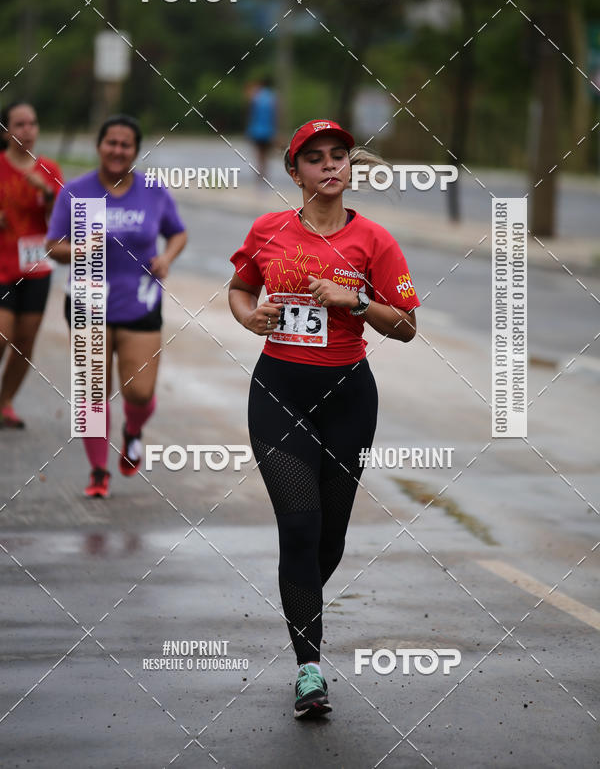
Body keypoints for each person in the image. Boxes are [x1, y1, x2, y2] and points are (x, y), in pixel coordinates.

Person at [228, 119, 420, 719]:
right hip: (279, 391)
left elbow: (408, 326)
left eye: (340, 155)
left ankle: (299, 592)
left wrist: (355, 301)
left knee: (328, 538)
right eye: (315, 159)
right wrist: (248, 318)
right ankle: (309, 668)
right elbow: (238, 289)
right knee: (301, 525)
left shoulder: (376, 242)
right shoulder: (268, 230)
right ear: (295, 172)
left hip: (348, 398)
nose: (330, 166)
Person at [46, 115, 187, 497]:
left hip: (140, 300)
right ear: (99, 146)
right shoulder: (77, 191)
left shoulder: (152, 191)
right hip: (89, 300)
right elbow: (52, 246)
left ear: (135, 151)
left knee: (139, 393)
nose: (117, 150)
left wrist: (168, 258)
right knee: (93, 391)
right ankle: (97, 472)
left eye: (125, 145)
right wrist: (77, 250)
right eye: (111, 142)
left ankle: (134, 430)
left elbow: (177, 232)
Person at [0, 101, 63, 428]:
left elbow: (63, 224)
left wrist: (49, 195)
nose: (27, 130)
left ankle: (5, 402)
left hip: (37, 266)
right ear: (7, 131)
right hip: (2, 265)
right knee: (2, 334)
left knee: (25, 340)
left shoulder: (49, 170)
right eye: (20, 124)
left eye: (32, 123)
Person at [246, 76, 277, 183]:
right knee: (265, 153)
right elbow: (275, 115)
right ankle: (264, 173)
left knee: (259, 153)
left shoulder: (255, 97)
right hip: (268, 129)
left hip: (256, 129)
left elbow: (251, 113)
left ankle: (260, 174)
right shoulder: (272, 97)